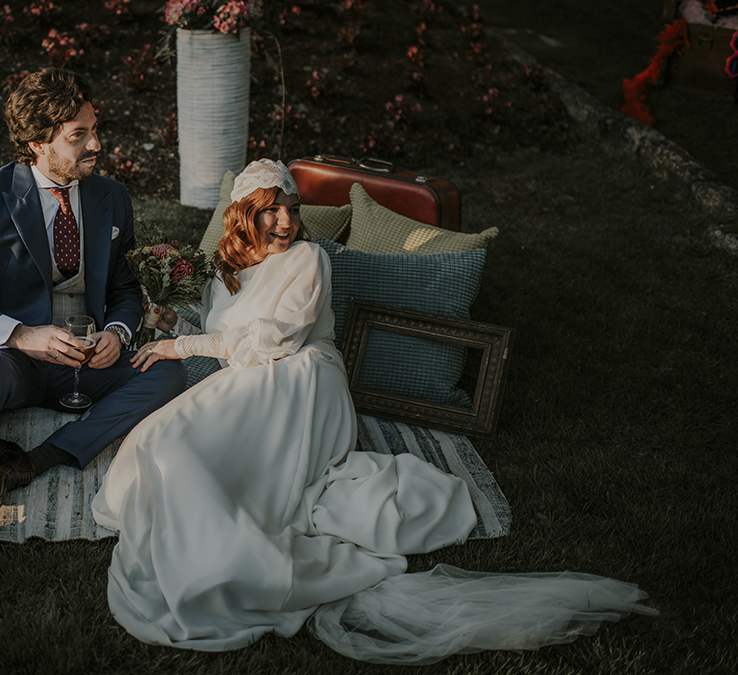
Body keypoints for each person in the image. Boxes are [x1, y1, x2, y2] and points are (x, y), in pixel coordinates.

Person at [91, 159, 655, 659]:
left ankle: (234, 525)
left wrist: (181, 346)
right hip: (247, 378)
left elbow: (277, 341)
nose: (286, 222)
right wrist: (174, 326)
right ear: (243, 215)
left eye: (290, 209)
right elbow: (228, 342)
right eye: (271, 212)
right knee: (160, 441)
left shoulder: (309, 259)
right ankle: (208, 511)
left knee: (201, 451)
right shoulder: (223, 273)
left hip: (302, 379)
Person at [0, 68, 186, 586]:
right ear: (38, 143)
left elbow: (126, 289)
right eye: (78, 134)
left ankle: (34, 462)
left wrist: (120, 335)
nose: (96, 144)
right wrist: (20, 336)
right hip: (18, 364)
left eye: (93, 129)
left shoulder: (111, 197)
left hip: (88, 361)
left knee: (169, 373)